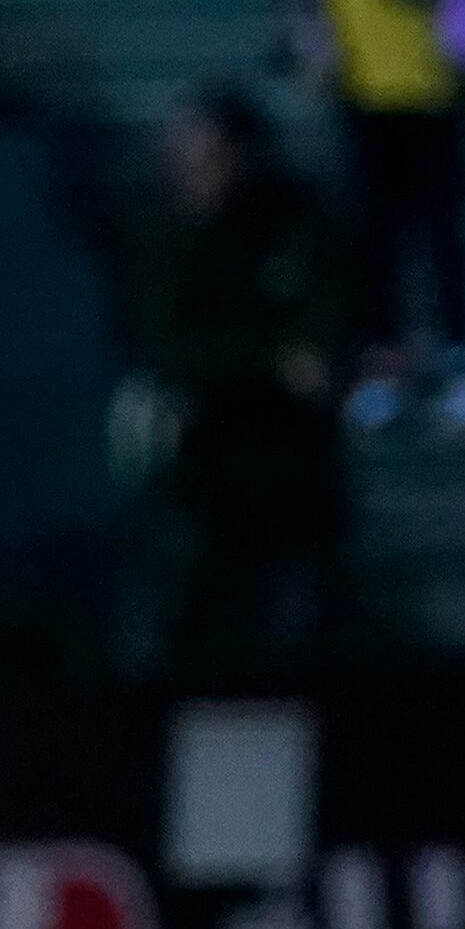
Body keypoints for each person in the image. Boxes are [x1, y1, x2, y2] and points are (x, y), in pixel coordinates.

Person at [122, 88, 351, 666]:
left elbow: (329, 326)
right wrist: (270, 360)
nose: (191, 174)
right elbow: (167, 345)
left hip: (294, 456)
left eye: (206, 158)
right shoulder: (165, 236)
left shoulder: (298, 220)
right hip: (205, 457)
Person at [286, 0, 465, 429]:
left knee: (442, 223)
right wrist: (309, 19)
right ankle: (384, 365)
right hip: (363, 68)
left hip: (437, 63)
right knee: (378, 226)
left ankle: (458, 359)